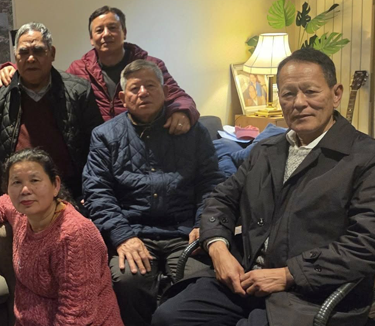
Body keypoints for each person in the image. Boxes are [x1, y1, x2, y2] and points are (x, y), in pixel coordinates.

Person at [153, 48, 375, 326]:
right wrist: (218, 249)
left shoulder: (364, 157)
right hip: (245, 278)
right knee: (169, 317)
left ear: (336, 93)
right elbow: (221, 199)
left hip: (310, 293)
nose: (299, 103)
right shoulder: (266, 150)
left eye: (311, 91)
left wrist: (288, 274)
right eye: (288, 94)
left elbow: (366, 242)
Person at [83, 59, 223, 326]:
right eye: (135, 88)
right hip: (133, 231)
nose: (143, 93)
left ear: (166, 91)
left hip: (184, 232)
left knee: (199, 280)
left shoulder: (193, 131)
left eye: (150, 86)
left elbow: (211, 183)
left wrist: (203, 223)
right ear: (123, 98)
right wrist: (122, 236)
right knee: (127, 280)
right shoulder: (105, 135)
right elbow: (96, 191)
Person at [0, 148, 123, 326]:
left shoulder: (74, 235)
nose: (25, 190)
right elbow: (0, 203)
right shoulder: (23, 213)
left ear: (55, 185)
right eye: (17, 182)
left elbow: (74, 317)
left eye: (35, 180)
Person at [0, 6, 198, 134]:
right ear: (91, 39)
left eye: (113, 28)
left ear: (124, 32)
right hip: (101, 148)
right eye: (99, 30)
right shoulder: (79, 69)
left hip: (144, 138)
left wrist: (182, 112)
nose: (106, 34)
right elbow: (50, 77)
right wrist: (13, 68)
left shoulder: (150, 65)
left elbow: (179, 96)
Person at [0, 22, 103, 207]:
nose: (31, 58)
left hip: (68, 194)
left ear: (52, 53)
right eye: (24, 52)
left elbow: (96, 147)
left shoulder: (78, 91)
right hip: (13, 196)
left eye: (38, 51)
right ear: (15, 56)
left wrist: (92, 190)